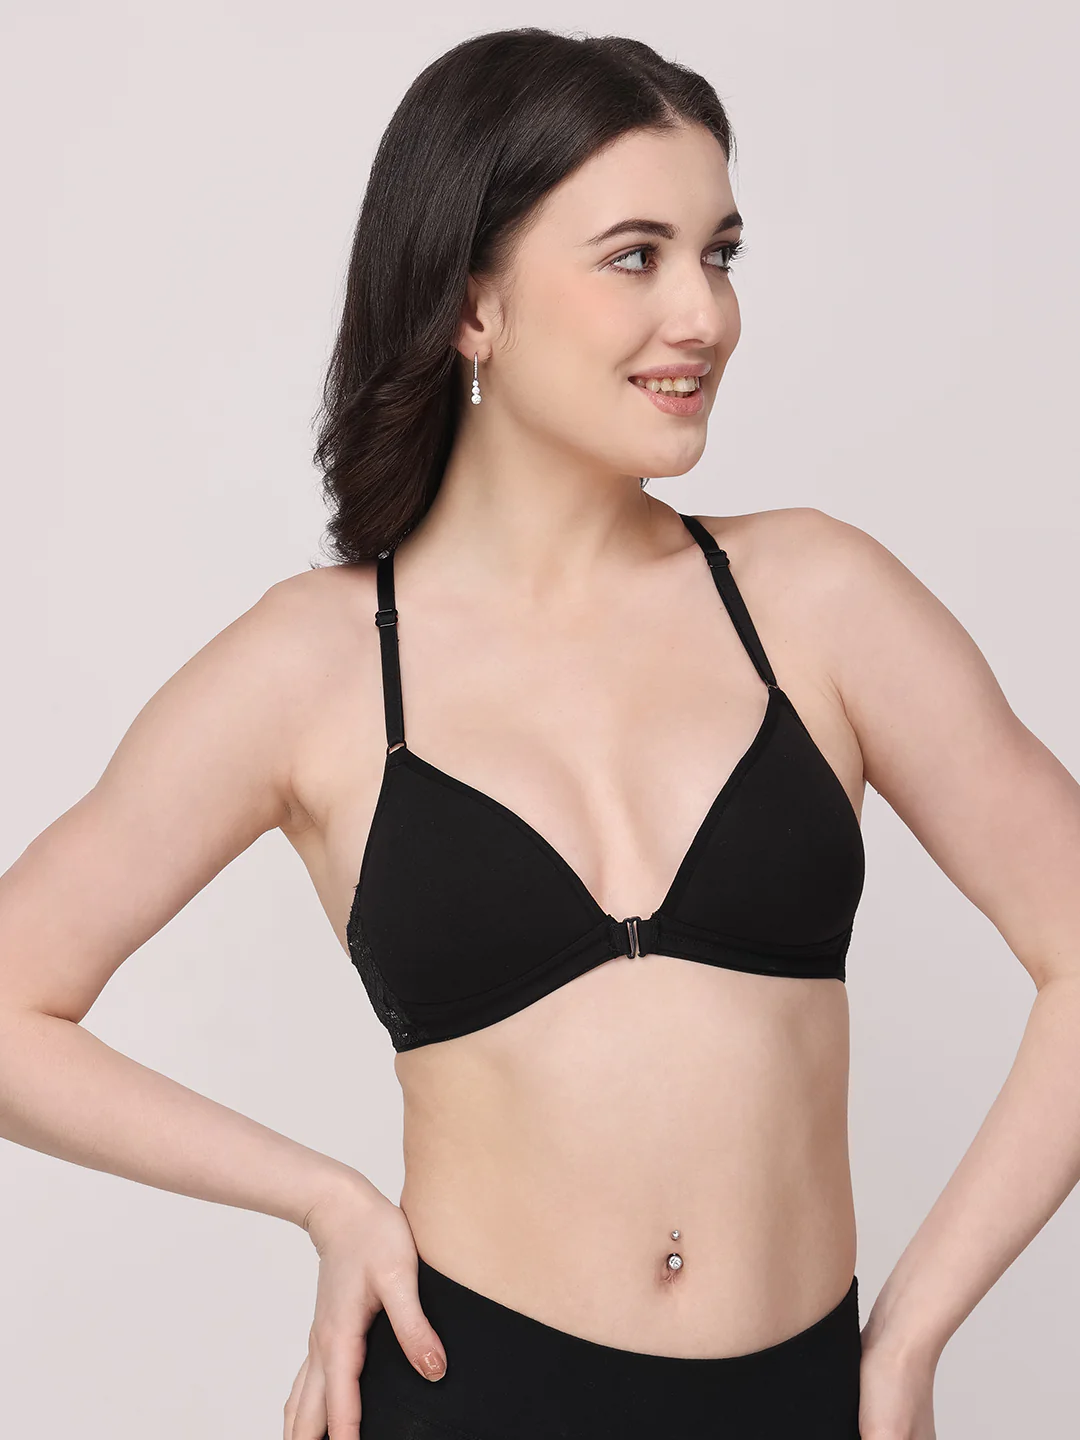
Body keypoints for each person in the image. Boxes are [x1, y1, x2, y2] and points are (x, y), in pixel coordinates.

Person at [3, 25, 1079, 1440]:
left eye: (720, 254)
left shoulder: (818, 600)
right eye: (636, 256)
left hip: (806, 1402)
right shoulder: (317, 665)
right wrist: (322, 1198)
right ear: (472, 305)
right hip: (471, 1396)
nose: (703, 315)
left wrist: (911, 1336)